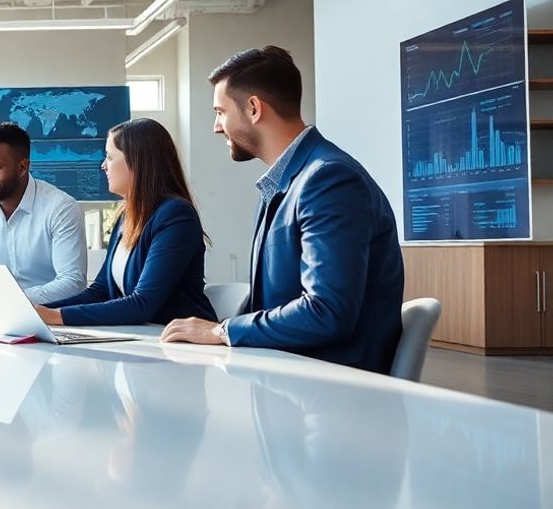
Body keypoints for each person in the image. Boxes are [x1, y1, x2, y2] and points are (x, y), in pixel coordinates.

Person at [161, 46, 405, 374]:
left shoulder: (328, 179)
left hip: (330, 391)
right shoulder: (287, 181)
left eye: (220, 112)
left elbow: (326, 311)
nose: (217, 127)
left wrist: (222, 331)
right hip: (289, 377)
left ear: (253, 108)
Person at [37, 118, 216, 326]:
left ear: (137, 162)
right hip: (145, 340)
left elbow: (143, 304)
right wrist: (41, 312)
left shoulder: (176, 215)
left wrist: (56, 317)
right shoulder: (126, 216)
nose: (103, 165)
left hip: (183, 345)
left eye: (110, 157)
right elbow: (101, 290)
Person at [0, 122, 86, 315]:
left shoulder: (60, 208)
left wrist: (3, 301)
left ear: (22, 167)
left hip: (51, 320)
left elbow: (73, 282)